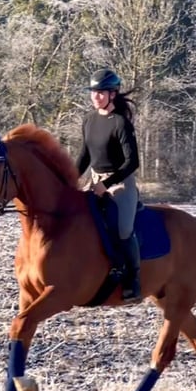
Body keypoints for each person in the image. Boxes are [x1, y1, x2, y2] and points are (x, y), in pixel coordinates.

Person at [75, 68, 142, 303]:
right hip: (94, 180)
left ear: (113, 94)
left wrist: (107, 184)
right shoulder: (89, 120)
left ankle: (132, 279)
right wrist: (70, 179)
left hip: (120, 182)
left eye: (101, 92)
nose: (96, 96)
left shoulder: (121, 124)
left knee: (123, 228)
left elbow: (132, 162)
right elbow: (84, 156)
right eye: (93, 92)